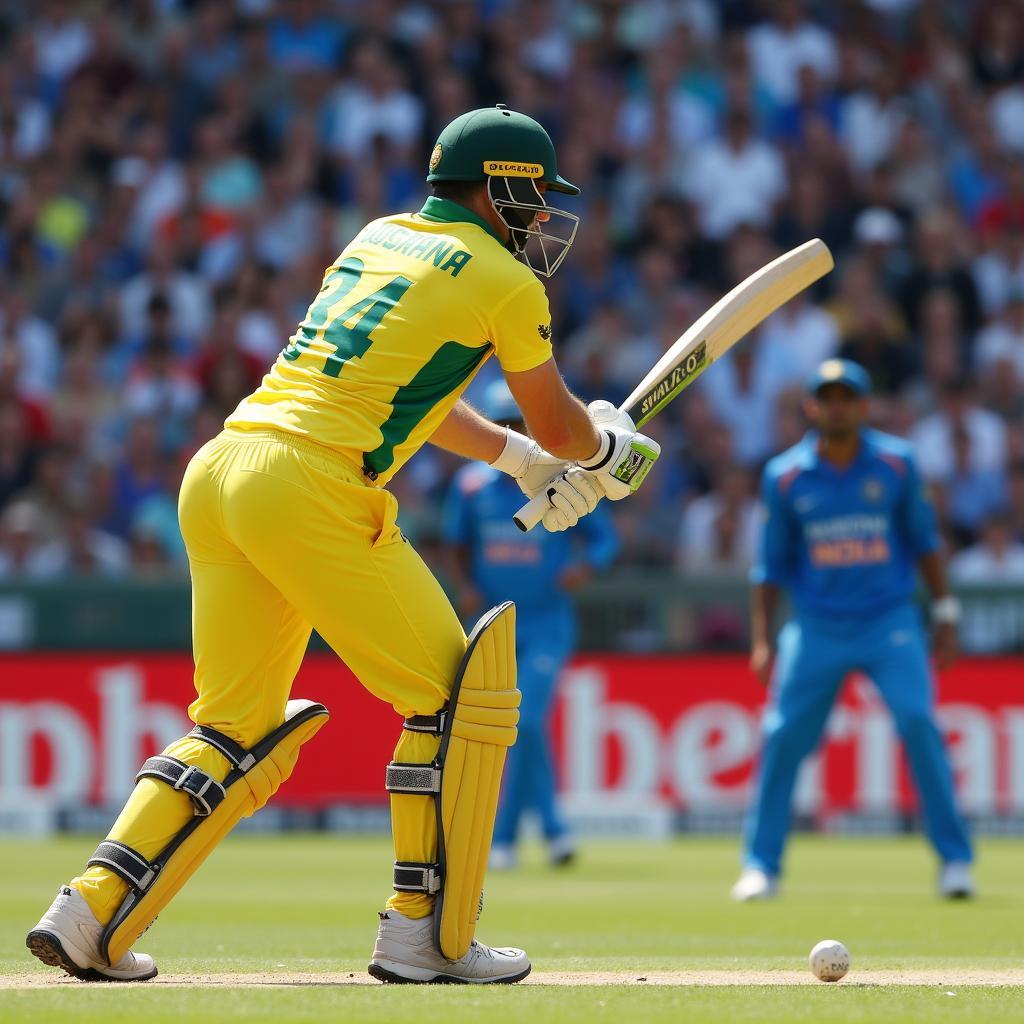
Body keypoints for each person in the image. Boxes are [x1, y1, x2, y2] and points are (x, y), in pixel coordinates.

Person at [27, 105, 660, 984]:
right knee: (458, 700)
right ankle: (425, 934)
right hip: (312, 483)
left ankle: (91, 908)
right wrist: (605, 453)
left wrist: (519, 457)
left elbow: (412, 392)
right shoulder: (507, 282)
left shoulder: (382, 236)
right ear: (499, 185)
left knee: (233, 726)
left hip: (224, 468)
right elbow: (564, 422)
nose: (543, 218)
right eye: (534, 197)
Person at [733, 358, 973, 902]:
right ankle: (761, 865)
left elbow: (926, 544)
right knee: (781, 735)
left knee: (918, 722)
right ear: (811, 406)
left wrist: (946, 614)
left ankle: (956, 862)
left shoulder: (896, 463)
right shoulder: (786, 475)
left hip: (889, 620)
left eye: (847, 396)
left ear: (864, 406)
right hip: (816, 624)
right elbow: (770, 568)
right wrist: (764, 639)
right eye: (827, 396)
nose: (837, 405)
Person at [443, 381, 619, 871]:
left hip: (546, 619)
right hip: (492, 621)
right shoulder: (471, 486)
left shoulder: (558, 477)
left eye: (520, 425)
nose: (513, 433)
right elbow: (456, 543)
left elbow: (604, 538)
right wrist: (466, 586)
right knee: (516, 727)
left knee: (528, 721)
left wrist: (585, 567)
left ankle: (505, 839)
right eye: (504, 425)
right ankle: (554, 830)